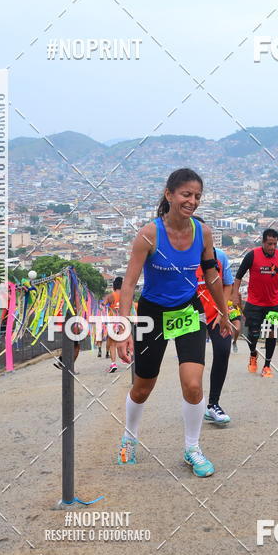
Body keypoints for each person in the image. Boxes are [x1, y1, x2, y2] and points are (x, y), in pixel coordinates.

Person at [114, 168, 232, 477]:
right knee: (142, 387)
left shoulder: (203, 233)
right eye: (186, 194)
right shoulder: (149, 234)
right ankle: (129, 437)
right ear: (169, 195)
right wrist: (123, 328)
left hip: (188, 311)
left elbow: (212, 275)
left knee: (193, 384)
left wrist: (224, 312)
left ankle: (192, 448)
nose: (192, 201)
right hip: (152, 314)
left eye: (197, 196)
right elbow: (129, 284)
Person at [232, 229, 278, 377]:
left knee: (271, 333)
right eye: (269, 244)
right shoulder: (252, 255)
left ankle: (267, 366)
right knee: (253, 334)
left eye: (275, 244)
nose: (272, 247)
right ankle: (253, 353)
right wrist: (234, 295)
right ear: (263, 242)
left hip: (274, 303)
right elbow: (238, 276)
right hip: (255, 302)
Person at [193, 217, 235, 425]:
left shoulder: (219, 257)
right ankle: (194, 404)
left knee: (223, 350)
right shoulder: (182, 259)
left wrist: (222, 310)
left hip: (215, 314)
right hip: (192, 317)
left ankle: (213, 404)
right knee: (194, 362)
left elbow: (228, 284)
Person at [104, 277, 123, 373]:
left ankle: (113, 364)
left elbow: (102, 306)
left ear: (114, 286)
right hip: (124, 321)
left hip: (113, 322)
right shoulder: (126, 295)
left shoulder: (110, 296)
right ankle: (128, 359)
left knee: (113, 344)